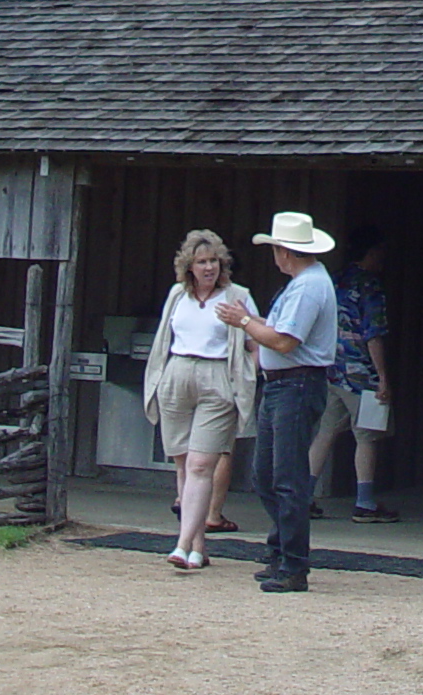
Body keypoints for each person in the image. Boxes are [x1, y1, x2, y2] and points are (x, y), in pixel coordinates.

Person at [216, 210, 339, 593]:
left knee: (285, 477)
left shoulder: (306, 288)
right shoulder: (305, 284)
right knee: (268, 475)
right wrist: (253, 322)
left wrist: (244, 322)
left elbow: (286, 341)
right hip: (286, 384)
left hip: (296, 384)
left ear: (285, 252)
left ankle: (293, 563)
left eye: (275, 248)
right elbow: (280, 333)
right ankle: (283, 552)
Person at [140, 229, 259, 572]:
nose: (209, 268)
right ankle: (197, 545)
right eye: (202, 262)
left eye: (214, 262)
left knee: (200, 464)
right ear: (188, 266)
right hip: (178, 373)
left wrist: (243, 378)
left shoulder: (238, 296)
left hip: (216, 378)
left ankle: (180, 544)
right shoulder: (178, 295)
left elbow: (256, 346)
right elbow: (166, 336)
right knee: (182, 463)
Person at [308, 225, 398, 524]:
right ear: (371, 253)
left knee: (325, 431)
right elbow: (374, 333)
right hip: (362, 373)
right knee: (367, 436)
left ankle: (304, 497)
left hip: (332, 368)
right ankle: (365, 502)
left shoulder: (335, 281)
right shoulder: (370, 286)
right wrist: (383, 376)